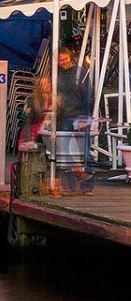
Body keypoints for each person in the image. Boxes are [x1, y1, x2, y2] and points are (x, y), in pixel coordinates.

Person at [56, 44, 96, 194]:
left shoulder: (80, 72)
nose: (64, 62)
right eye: (60, 60)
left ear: (69, 57)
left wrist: (86, 117)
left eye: (65, 59)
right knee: (64, 151)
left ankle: (87, 186)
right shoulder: (56, 74)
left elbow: (87, 96)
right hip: (63, 115)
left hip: (79, 115)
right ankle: (70, 186)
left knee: (85, 151)